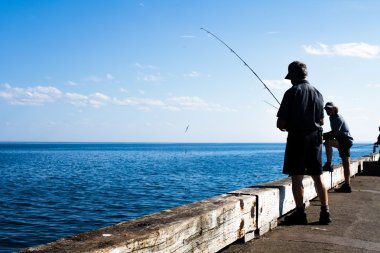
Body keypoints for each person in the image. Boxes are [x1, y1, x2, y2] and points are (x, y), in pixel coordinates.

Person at [277, 61, 331, 225]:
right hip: (315, 139)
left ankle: (300, 214)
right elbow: (321, 121)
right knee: (317, 176)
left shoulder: (291, 92)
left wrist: (286, 125)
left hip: (297, 138)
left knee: (297, 177)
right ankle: (325, 212)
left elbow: (281, 124)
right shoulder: (318, 93)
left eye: (290, 77)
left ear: (293, 75)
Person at [322, 102, 353, 193]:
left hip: (344, 141)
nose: (327, 110)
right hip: (345, 141)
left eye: (329, 109)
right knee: (346, 164)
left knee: (328, 142)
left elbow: (333, 134)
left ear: (334, 109)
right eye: (326, 109)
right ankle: (347, 185)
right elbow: (333, 133)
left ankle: (328, 164)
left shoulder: (337, 118)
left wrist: (320, 136)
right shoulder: (332, 117)